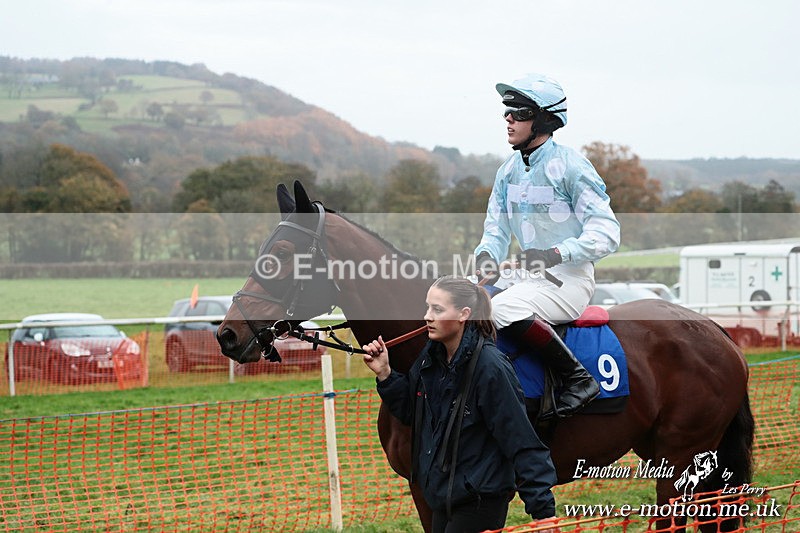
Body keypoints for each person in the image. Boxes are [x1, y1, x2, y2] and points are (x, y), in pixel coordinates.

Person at [474, 73, 621, 418]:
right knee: (454, 300)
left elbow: (606, 232)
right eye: (506, 111)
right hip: (524, 278)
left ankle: (577, 380)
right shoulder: (507, 171)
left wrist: (553, 254)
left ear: (542, 119)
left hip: (568, 281)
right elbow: (495, 230)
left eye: (518, 112)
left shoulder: (572, 166)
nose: (508, 118)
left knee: (497, 310)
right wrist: (485, 260)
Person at [361, 275, 557, 533]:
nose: (427, 316)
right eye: (428, 307)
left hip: (479, 501)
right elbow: (413, 413)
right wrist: (385, 374)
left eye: (438, 309)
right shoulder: (429, 359)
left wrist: (543, 513)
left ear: (464, 314)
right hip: (442, 498)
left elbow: (520, 440)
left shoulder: (491, 367)